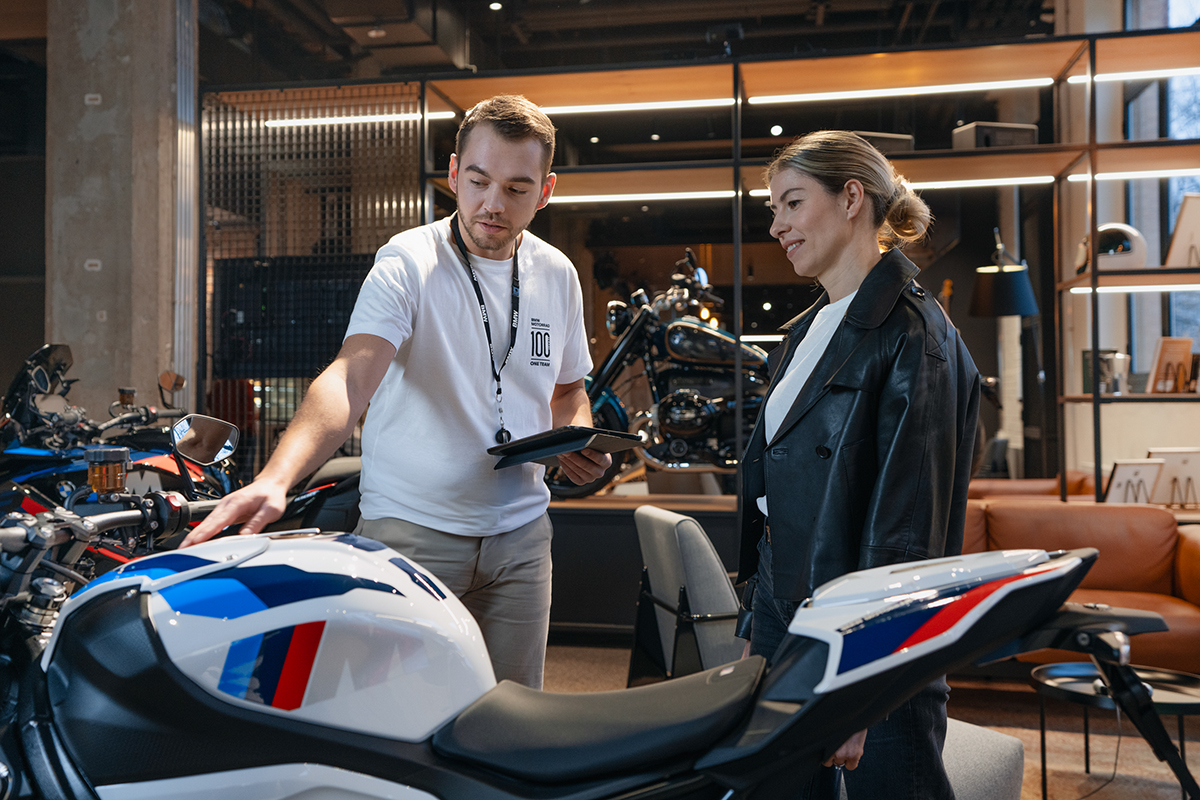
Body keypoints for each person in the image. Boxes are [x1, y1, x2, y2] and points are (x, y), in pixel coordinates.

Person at [183, 95, 611, 690]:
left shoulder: (558, 274)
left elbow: (567, 390)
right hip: (413, 533)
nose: (493, 204)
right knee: (396, 714)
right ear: (454, 173)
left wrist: (576, 437)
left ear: (545, 191)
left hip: (521, 537)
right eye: (479, 181)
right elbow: (349, 378)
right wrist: (277, 478)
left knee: (514, 719)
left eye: (517, 188)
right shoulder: (408, 261)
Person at [736, 131, 981, 798]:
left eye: (792, 203)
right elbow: (779, 484)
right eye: (773, 209)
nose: (776, 226)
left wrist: (865, 684)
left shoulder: (916, 335)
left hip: (870, 625)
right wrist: (760, 618)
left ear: (850, 199)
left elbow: (908, 535)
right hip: (789, 596)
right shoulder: (809, 328)